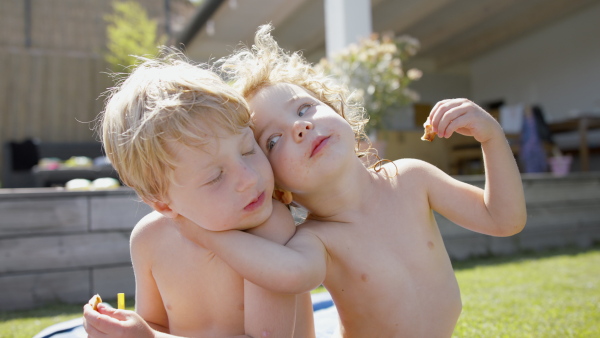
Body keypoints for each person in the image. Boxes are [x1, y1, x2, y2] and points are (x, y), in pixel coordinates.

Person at [177, 24, 527, 337]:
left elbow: (504, 219)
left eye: (303, 108)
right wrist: (206, 234)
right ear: (276, 185)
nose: (299, 127)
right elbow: (288, 274)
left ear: (338, 111)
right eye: (273, 140)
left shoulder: (412, 179)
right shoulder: (317, 240)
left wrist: (492, 138)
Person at [82, 50, 315, 338]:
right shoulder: (148, 241)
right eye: (216, 176)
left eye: (247, 149)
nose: (249, 178)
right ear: (162, 203)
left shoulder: (269, 228)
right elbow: (156, 324)